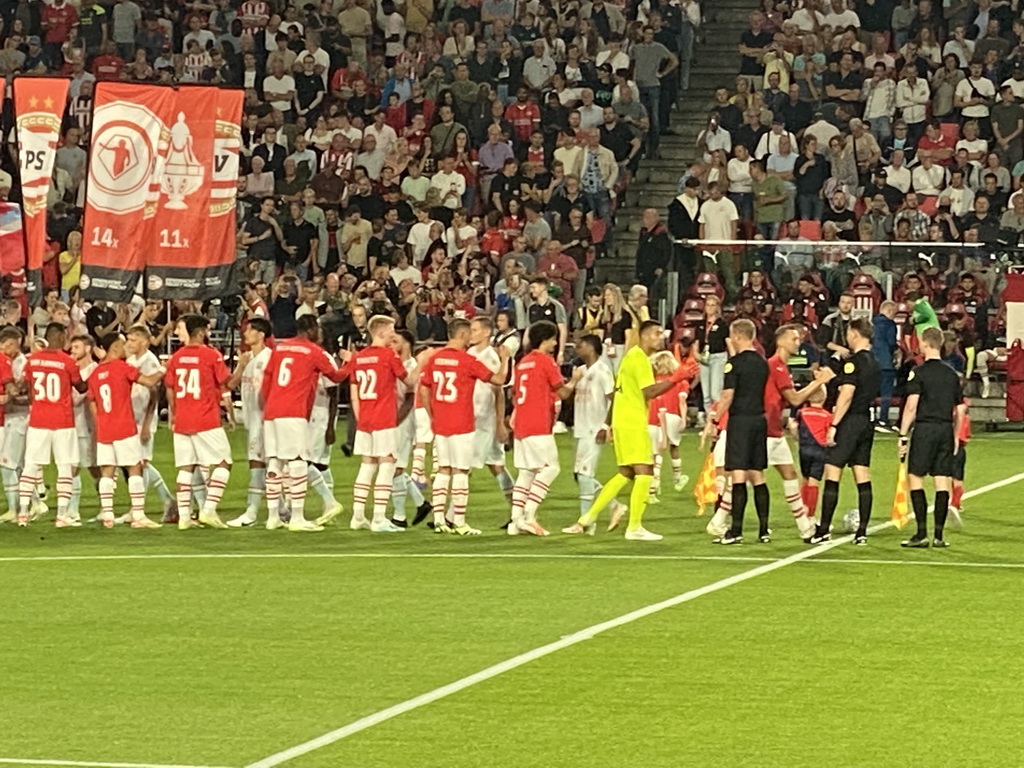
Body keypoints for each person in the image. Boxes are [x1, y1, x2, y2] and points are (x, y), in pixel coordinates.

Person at [564, 319, 692, 541]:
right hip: (633, 421)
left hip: (622, 421)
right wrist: (677, 378)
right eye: (655, 333)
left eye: (661, 334)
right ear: (643, 336)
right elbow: (649, 392)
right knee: (645, 472)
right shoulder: (640, 359)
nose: (659, 337)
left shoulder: (630, 356)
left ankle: (587, 518)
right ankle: (634, 527)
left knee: (627, 472)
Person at [419, 318, 510, 535]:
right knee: (460, 471)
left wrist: (433, 415)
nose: (471, 337)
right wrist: (505, 360)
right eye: (469, 333)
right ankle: (459, 521)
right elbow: (499, 380)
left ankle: (440, 519)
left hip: (441, 423)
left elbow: (424, 389)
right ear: (461, 335)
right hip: (462, 422)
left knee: (443, 470)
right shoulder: (467, 360)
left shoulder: (436, 358)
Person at [261, 314, 350, 532]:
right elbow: (336, 376)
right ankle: (297, 518)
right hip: (293, 412)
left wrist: (269, 405)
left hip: (272, 410)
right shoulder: (313, 351)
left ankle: (273, 517)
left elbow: (267, 380)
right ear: (310, 330)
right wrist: (351, 361)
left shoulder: (279, 349)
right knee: (298, 460)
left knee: (275, 461)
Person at [808, 317, 881, 545]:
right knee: (862, 473)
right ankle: (862, 532)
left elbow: (847, 394)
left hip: (850, 421)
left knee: (833, 470)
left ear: (856, 334)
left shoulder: (854, 363)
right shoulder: (875, 363)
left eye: (849, 333)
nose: (847, 337)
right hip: (867, 421)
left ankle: (823, 528)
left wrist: (834, 425)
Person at [349, 314, 421, 533]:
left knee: (367, 464)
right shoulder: (388, 355)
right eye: (391, 330)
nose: (393, 334)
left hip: (366, 418)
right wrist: (424, 362)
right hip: (384, 417)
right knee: (387, 463)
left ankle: (358, 515)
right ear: (380, 332)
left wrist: (361, 418)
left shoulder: (358, 357)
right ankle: (379, 518)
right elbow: (408, 380)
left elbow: (354, 393)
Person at [163, 315, 234, 531]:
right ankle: (209, 510)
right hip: (205, 417)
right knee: (224, 461)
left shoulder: (176, 357)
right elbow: (226, 382)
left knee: (186, 466)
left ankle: (184, 518)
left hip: (183, 418)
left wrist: (174, 415)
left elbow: (170, 388)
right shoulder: (211, 355)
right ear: (201, 332)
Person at [897, 327, 966, 548]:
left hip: (925, 429)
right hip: (945, 429)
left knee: (915, 477)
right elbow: (960, 407)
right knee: (942, 480)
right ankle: (939, 535)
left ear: (925, 344)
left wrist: (903, 434)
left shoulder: (919, 372)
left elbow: (911, 406)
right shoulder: (951, 374)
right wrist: (955, 436)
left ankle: (921, 533)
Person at [764, 324, 835, 539]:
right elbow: (794, 399)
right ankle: (722, 520)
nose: (798, 342)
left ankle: (805, 527)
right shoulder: (775, 365)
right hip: (765, 431)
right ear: (781, 341)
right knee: (746, 478)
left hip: (775, 430)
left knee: (790, 476)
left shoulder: (780, 367)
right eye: (794, 339)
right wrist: (819, 382)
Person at [88, 333, 164, 528]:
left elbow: (92, 402)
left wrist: (101, 422)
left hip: (105, 429)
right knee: (134, 467)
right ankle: (138, 515)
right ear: (114, 347)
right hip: (124, 426)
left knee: (107, 470)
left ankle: (108, 515)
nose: (126, 348)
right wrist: (164, 368)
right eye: (122, 345)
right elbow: (149, 381)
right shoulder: (123, 368)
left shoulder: (95, 373)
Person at [17, 323, 88, 527]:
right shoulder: (67, 361)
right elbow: (81, 386)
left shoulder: (33, 360)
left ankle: (22, 513)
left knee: (31, 466)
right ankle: (62, 515)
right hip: (63, 421)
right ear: (60, 336)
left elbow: (29, 388)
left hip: (39, 419)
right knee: (65, 467)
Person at [510, 320, 576, 535]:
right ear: (545, 339)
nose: (555, 343)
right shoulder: (545, 361)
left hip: (521, 422)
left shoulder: (522, 362)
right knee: (551, 468)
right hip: (538, 422)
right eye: (553, 339)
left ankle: (515, 520)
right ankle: (530, 514)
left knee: (527, 471)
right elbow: (563, 393)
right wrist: (575, 381)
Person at [708, 319, 770, 544]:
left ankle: (736, 530)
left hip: (741, 422)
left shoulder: (734, 363)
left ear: (737, 336)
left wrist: (714, 421)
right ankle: (764, 530)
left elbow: (727, 396)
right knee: (759, 475)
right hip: (759, 420)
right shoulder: (762, 362)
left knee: (739, 476)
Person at [570, 333, 627, 525]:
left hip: (594, 429)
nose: (577, 349)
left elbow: (615, 399)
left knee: (585, 474)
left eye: (581, 345)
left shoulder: (602, 371)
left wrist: (606, 425)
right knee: (580, 475)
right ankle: (613, 505)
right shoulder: (580, 371)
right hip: (582, 428)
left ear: (591, 348)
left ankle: (585, 521)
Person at [226, 317, 274, 527]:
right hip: (251, 418)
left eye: (249, 330)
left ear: (261, 334)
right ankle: (281, 509)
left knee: (259, 463)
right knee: (270, 464)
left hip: (265, 420)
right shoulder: (246, 358)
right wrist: (241, 366)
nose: (245, 334)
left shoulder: (269, 358)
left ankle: (252, 511)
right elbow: (230, 384)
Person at [467, 316, 515, 514]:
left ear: (487, 332)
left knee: (465, 466)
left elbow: (499, 391)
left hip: (484, 419)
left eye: (475, 330)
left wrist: (499, 423)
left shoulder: (491, 357)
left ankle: (451, 514)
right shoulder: (470, 353)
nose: (471, 333)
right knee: (496, 465)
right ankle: (517, 511)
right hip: (474, 416)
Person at [646, 351, 693, 502]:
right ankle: (677, 478)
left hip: (653, 418)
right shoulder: (680, 382)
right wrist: (684, 420)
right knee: (674, 447)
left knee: (656, 452)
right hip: (672, 416)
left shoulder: (652, 382)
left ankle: (654, 485)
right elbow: (682, 402)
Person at [871, 300, 899, 431]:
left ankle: (870, 417)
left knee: (869, 391)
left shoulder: (871, 323)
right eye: (894, 313)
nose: (895, 316)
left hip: (871, 362)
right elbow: (891, 342)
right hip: (886, 362)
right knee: (886, 393)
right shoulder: (889, 324)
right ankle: (883, 419)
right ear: (889, 311)